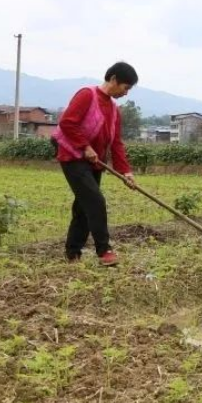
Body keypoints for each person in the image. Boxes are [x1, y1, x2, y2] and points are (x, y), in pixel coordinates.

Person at [52, 61, 139, 266]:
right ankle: (104, 251)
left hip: (95, 161)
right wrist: (84, 146)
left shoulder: (115, 110)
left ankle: (73, 253)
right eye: (125, 88)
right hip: (73, 156)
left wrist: (126, 172)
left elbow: (116, 143)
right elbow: (67, 122)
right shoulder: (87, 95)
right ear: (114, 79)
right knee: (95, 201)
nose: (126, 93)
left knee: (84, 206)